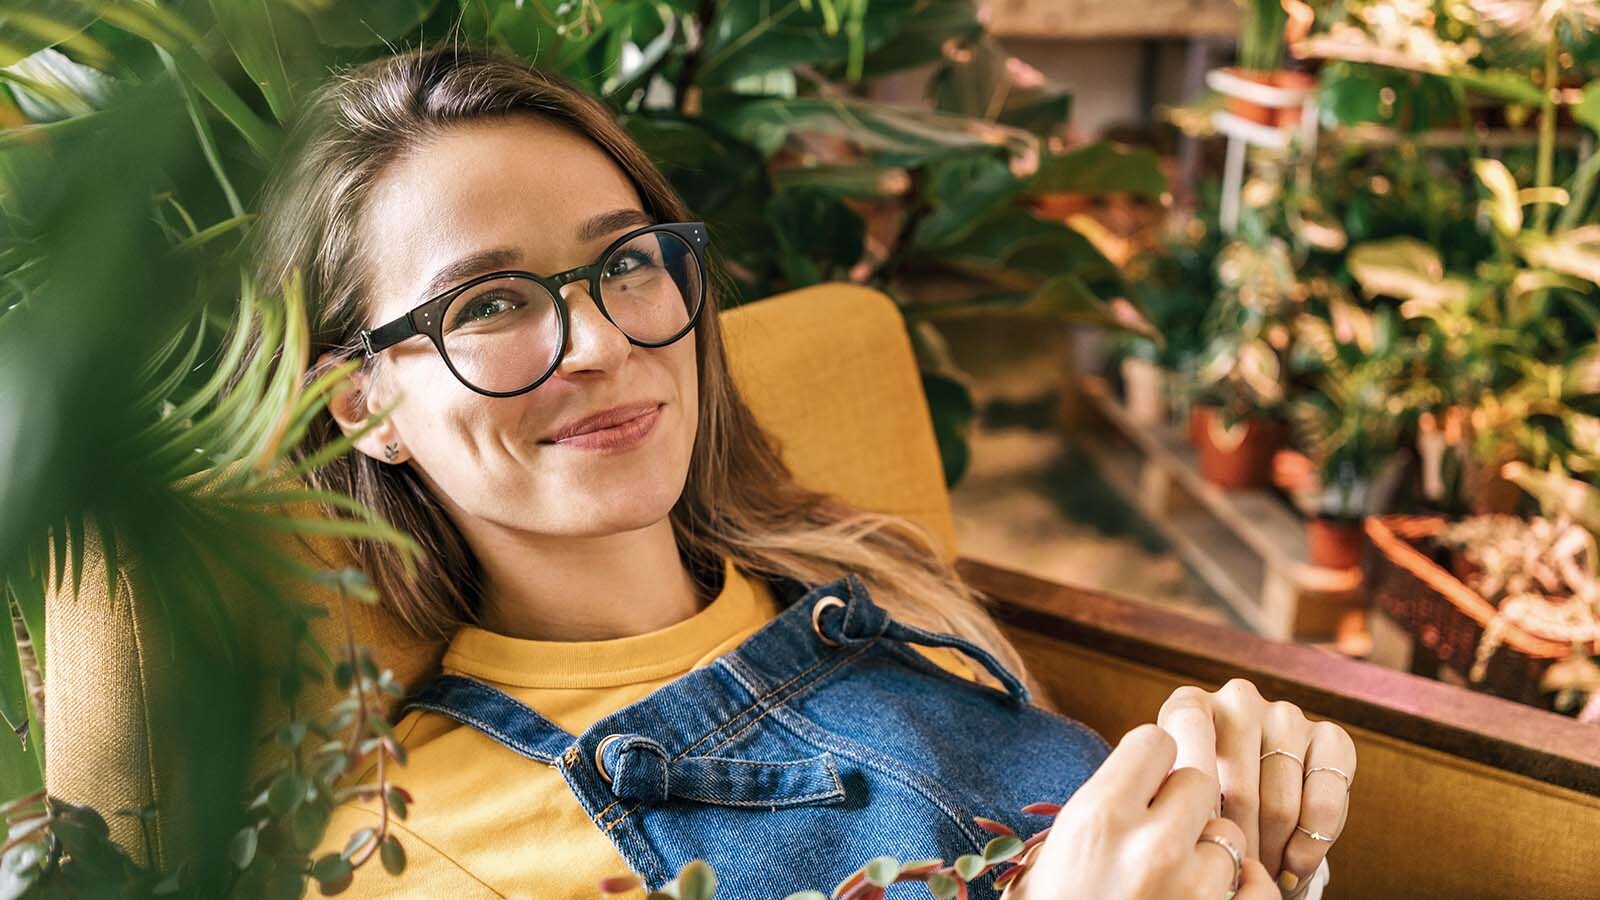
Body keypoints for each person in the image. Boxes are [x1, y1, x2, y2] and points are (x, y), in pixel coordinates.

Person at [247, 41, 1353, 900]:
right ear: (364, 405)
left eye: (625, 262)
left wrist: (1227, 822)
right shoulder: (417, 845)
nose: (601, 344)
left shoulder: (877, 581)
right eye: (487, 304)